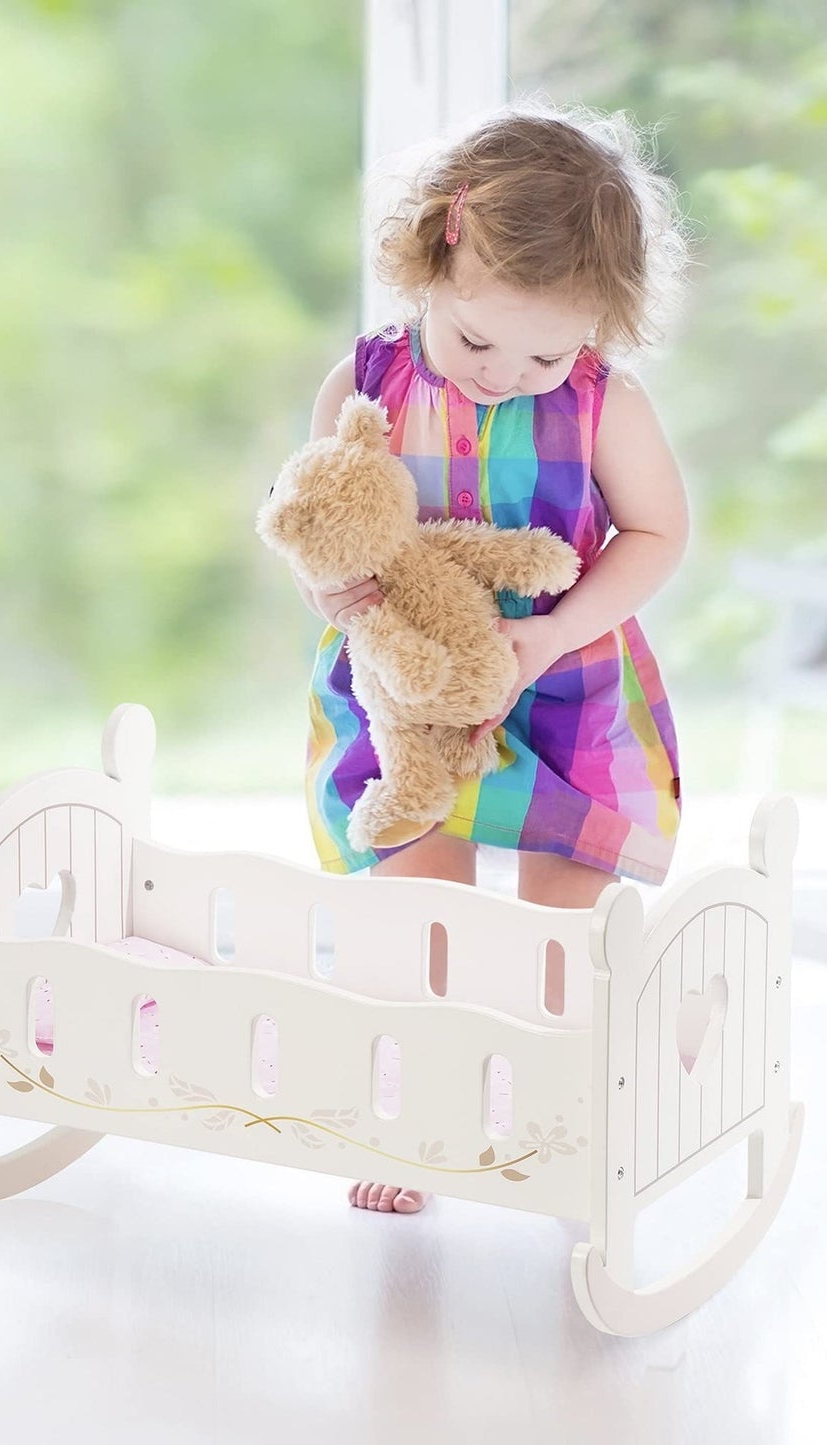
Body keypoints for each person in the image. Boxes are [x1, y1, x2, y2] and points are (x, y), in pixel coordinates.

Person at [296, 105, 690, 1214]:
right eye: (475, 343)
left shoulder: (603, 403)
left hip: (561, 683)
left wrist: (555, 630)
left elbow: (657, 532)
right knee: (419, 925)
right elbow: (317, 519)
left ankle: (565, 1114)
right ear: (432, 258)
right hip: (409, 687)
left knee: (558, 940)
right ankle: (419, 1120)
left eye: (545, 355)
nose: (504, 375)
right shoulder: (363, 384)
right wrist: (328, 589)